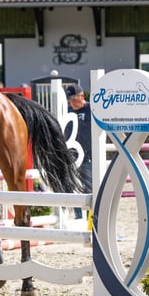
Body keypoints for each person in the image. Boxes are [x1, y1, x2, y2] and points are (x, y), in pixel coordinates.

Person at [62, 83, 91, 219]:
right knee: (73, 187)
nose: (71, 103)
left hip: (89, 156)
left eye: (74, 99)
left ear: (82, 96)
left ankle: (91, 217)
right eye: (70, 100)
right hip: (72, 156)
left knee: (88, 187)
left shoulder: (91, 109)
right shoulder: (67, 111)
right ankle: (78, 217)